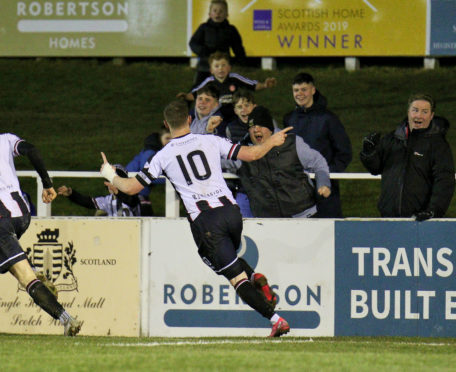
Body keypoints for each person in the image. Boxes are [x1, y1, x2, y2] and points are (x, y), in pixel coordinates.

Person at [100, 100, 293, 337]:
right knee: (228, 261)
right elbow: (252, 154)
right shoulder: (210, 140)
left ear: (166, 124)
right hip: (232, 213)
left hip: (206, 221)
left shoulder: (163, 155)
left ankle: (275, 319)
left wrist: (109, 173)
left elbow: (130, 188)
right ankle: (255, 277)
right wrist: (272, 141)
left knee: (233, 276)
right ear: (189, 120)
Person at [0, 133, 81, 336]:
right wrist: (47, 183)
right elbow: (32, 150)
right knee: (17, 268)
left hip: (1, 219)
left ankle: (67, 319)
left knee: (24, 276)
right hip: (22, 214)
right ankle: (31, 268)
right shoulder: (5, 139)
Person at [360, 94, 455, 220]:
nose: (419, 115)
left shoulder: (438, 145)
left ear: (431, 116)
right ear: (408, 112)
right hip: (388, 218)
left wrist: (433, 211)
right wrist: (369, 152)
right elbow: (375, 168)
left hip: (421, 221)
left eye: (424, 112)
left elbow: (444, 181)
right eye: (415, 110)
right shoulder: (392, 139)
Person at [228, 106, 331, 217]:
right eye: (252, 126)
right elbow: (215, 160)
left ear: (270, 129)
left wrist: (323, 183)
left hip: (303, 215)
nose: (256, 129)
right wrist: (209, 132)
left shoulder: (292, 142)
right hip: (267, 221)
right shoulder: (242, 151)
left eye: (261, 125)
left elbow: (318, 162)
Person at [283, 72, 352, 218]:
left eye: (304, 89)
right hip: (297, 188)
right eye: (296, 90)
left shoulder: (328, 118)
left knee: (328, 233)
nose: (300, 94)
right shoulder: (289, 119)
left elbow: (344, 152)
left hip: (324, 189)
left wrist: (327, 174)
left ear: (313, 90)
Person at [178, 52, 276, 122]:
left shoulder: (235, 78)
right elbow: (196, 94)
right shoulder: (209, 82)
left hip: (235, 114)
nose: (220, 68)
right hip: (217, 115)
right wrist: (186, 96)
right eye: (217, 66)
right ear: (211, 70)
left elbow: (252, 85)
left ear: (229, 67)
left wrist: (264, 85)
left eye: (223, 65)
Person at [189, 0, 246, 86]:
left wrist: (241, 60)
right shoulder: (203, 28)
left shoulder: (231, 30)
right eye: (215, 11)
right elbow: (193, 43)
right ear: (209, 14)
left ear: (227, 15)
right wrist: (202, 51)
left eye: (221, 11)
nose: (218, 14)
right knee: (199, 88)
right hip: (205, 66)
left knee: (224, 89)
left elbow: (237, 46)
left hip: (223, 66)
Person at [58, 164, 141, 217]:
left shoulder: (133, 194)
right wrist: (71, 194)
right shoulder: (108, 200)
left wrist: (118, 192)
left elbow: (132, 201)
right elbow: (89, 202)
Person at [126, 127, 171, 216]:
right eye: (167, 138)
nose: (170, 141)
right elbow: (148, 174)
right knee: (146, 218)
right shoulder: (150, 151)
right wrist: (171, 178)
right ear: (160, 138)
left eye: (172, 138)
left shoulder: (156, 150)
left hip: (136, 189)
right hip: (132, 189)